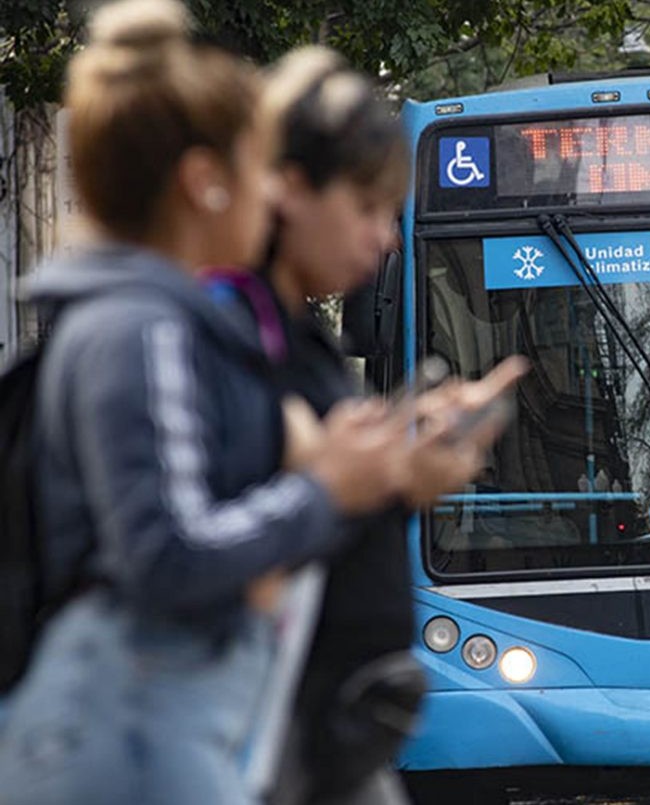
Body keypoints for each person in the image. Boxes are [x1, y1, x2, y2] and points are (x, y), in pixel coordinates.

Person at [0, 2, 494, 803]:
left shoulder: (153, 322)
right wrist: (326, 487)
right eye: (258, 168)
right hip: (143, 737)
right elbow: (171, 552)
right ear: (207, 186)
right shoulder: (145, 329)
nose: (271, 197)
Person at [209, 46, 520, 804]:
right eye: (367, 209)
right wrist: (371, 477)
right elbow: (218, 542)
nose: (385, 238)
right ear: (289, 189)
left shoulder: (298, 335)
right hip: (254, 742)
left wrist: (403, 471)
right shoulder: (219, 333)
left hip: (326, 738)